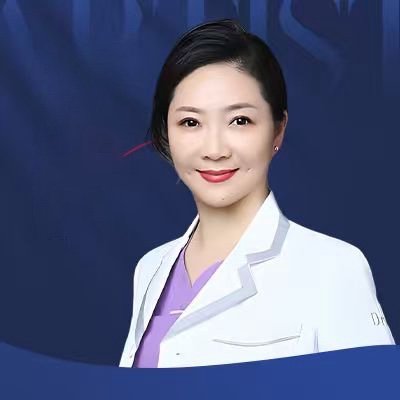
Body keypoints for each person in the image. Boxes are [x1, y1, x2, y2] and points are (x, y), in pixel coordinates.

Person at [119, 19, 395, 368]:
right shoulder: (151, 268)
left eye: (240, 121)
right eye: (190, 122)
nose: (214, 149)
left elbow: (372, 387)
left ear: (277, 130)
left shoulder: (333, 268)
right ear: (167, 133)